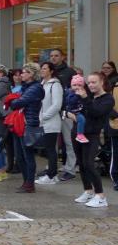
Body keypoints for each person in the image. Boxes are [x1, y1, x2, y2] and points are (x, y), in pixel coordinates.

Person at [70, 73, 114, 208]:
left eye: (94, 82)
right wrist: (68, 113)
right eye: (89, 82)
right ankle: (88, 191)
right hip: (77, 133)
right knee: (82, 164)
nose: (90, 85)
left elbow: (96, 112)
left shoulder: (107, 99)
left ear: (102, 82)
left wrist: (85, 98)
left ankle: (100, 196)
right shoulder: (88, 95)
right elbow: (74, 108)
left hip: (92, 135)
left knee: (89, 164)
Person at [9, 63, 45, 193]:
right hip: (21, 123)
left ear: (31, 74)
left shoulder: (35, 88)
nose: (21, 75)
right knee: (20, 156)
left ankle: (29, 183)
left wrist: (13, 101)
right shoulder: (26, 87)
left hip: (28, 123)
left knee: (27, 155)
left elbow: (18, 102)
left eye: (24, 72)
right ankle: (26, 182)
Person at [49, 49, 77, 181]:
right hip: (52, 112)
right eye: (51, 56)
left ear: (62, 57)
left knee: (69, 141)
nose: (53, 58)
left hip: (66, 111)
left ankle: (70, 169)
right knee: (52, 143)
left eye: (56, 55)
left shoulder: (70, 72)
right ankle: (52, 168)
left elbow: (76, 90)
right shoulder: (49, 72)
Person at [35, 62, 64, 185]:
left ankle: (51, 175)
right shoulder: (41, 84)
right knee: (48, 149)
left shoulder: (55, 85)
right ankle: (52, 173)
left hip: (51, 122)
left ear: (51, 71)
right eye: (41, 68)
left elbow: (57, 105)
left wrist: (43, 117)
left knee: (51, 149)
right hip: (42, 122)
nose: (42, 70)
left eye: (45, 68)